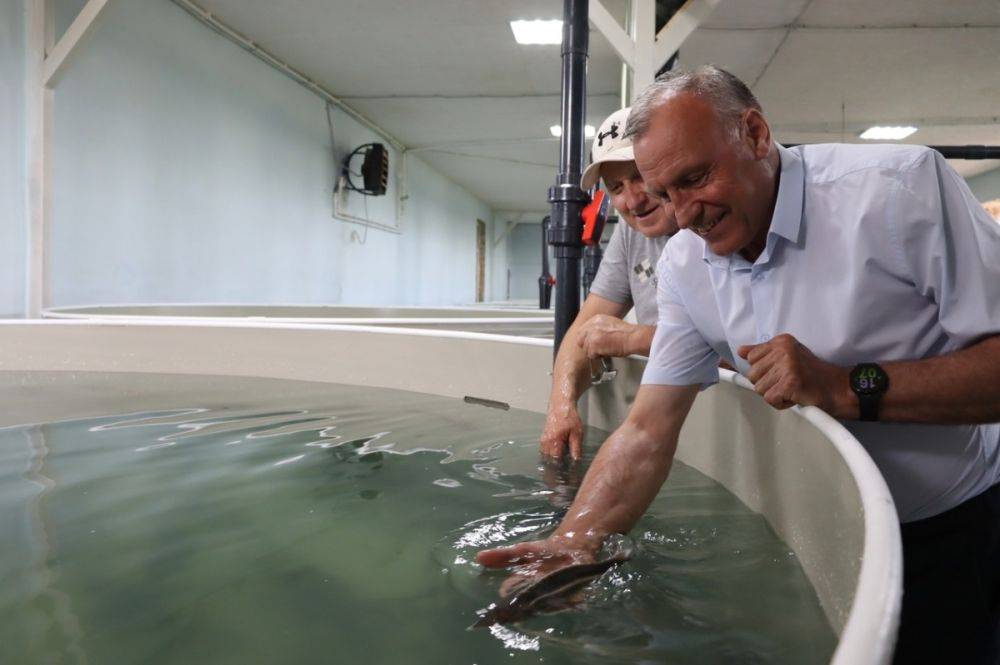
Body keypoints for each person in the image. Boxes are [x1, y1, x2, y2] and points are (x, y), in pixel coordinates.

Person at [480, 66, 1000, 664]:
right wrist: (575, 538)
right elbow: (648, 431)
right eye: (666, 191)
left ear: (754, 133)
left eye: (696, 178)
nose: (685, 213)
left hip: (946, 525)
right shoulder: (684, 264)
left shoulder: (897, 190)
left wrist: (843, 386)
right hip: (819, 538)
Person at [540, 107, 678, 459]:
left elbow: (741, 347)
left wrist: (637, 338)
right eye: (617, 187)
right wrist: (561, 405)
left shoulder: (713, 229)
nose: (632, 200)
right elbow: (583, 329)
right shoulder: (632, 233)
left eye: (640, 176)